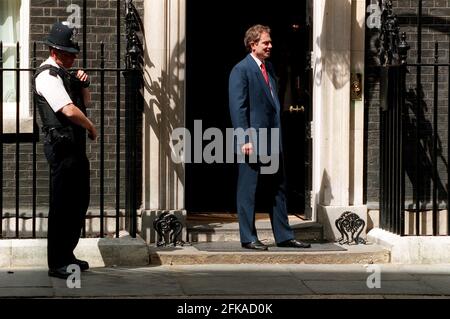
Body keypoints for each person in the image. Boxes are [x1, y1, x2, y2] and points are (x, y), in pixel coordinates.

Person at [228, 24, 311, 250]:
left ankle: (284, 236)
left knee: (278, 188)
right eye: (266, 42)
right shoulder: (241, 70)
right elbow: (239, 108)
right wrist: (243, 139)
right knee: (249, 189)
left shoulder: (270, 68)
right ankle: (248, 237)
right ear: (253, 45)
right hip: (252, 139)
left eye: (270, 42)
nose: (270, 46)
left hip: (272, 139)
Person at [33, 22, 97, 278]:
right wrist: (91, 127)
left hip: (74, 147)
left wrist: (83, 83)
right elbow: (68, 110)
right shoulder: (47, 76)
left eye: (73, 52)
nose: (72, 57)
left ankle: (68, 254)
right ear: (54, 51)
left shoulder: (64, 74)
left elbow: (86, 102)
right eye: (67, 52)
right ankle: (57, 262)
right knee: (62, 205)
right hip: (61, 147)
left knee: (78, 202)